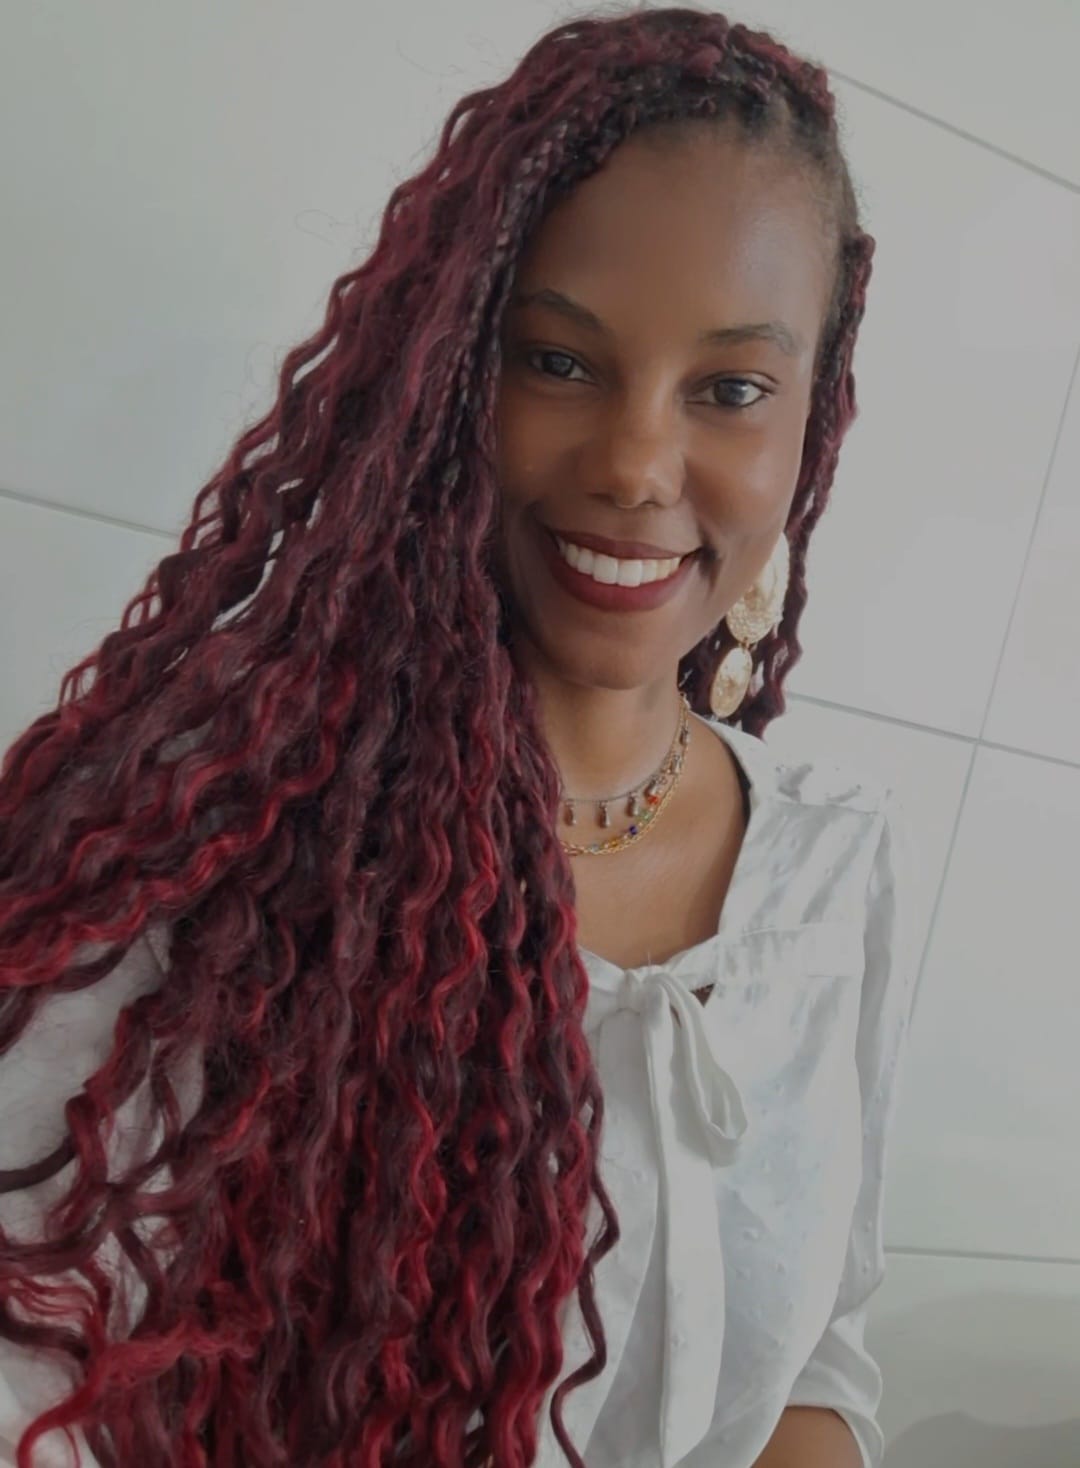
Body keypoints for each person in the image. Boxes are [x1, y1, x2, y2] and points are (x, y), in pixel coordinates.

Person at [0, 6, 921, 1466]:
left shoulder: (830, 865)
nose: (636, 462)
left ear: (813, 420)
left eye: (732, 389)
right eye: (556, 361)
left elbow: (816, 1361)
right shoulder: (204, 838)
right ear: (445, 380)